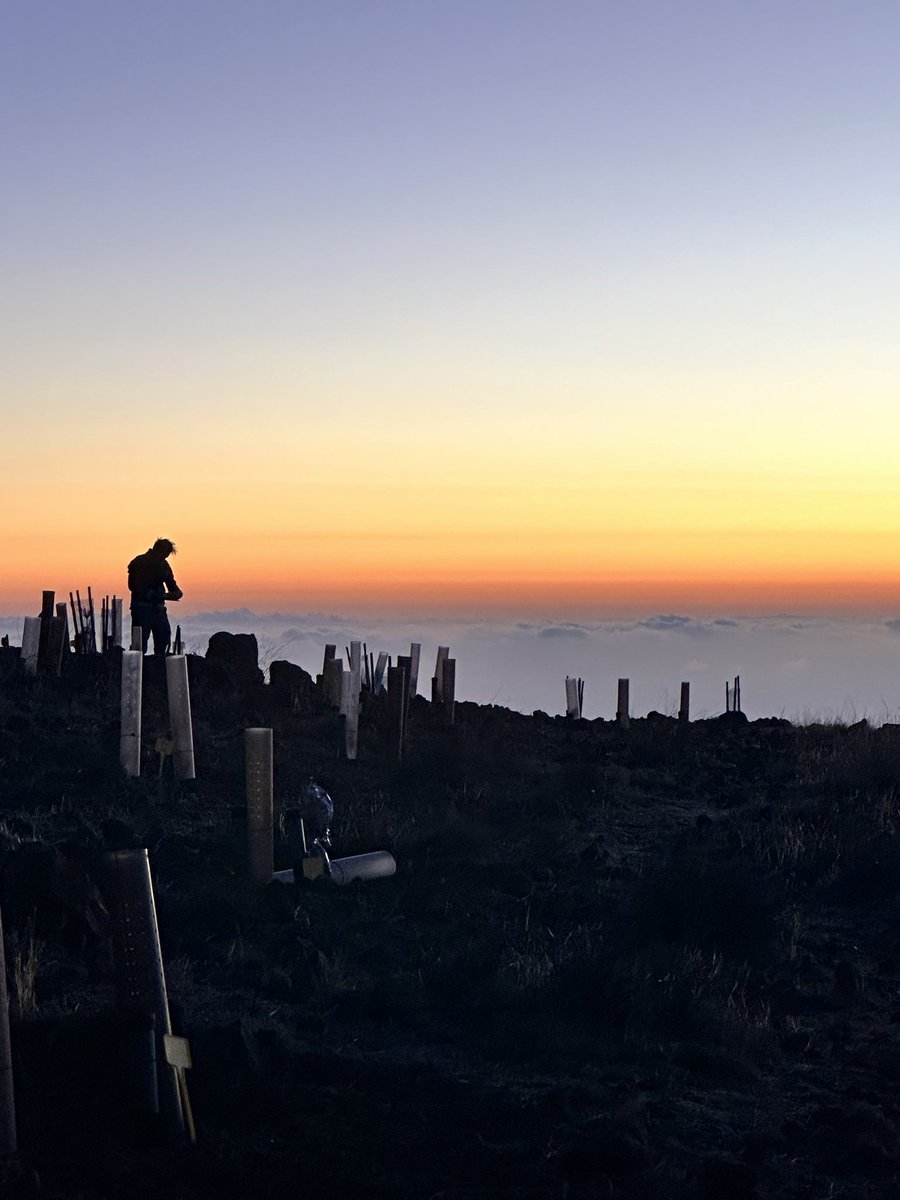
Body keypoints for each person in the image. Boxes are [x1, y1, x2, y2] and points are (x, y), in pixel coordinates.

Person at [127, 538, 183, 655]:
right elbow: (134, 587)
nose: (165, 557)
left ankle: (159, 666)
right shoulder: (139, 562)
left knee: (163, 639)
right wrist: (158, 595)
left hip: (158, 609)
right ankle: (140, 668)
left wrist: (175, 594)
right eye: (165, 554)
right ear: (159, 550)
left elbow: (172, 585)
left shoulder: (163, 565)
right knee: (139, 644)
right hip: (142, 609)